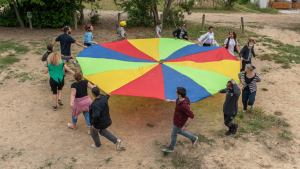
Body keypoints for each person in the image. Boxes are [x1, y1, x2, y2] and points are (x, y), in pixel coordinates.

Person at [163, 87, 198, 153]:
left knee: (174, 134)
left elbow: (191, 115)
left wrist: (185, 125)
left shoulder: (184, 105)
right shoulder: (181, 99)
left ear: (179, 94)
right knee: (179, 131)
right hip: (178, 120)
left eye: (176, 92)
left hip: (179, 122)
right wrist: (170, 100)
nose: (175, 92)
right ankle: (193, 138)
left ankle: (171, 148)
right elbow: (176, 101)